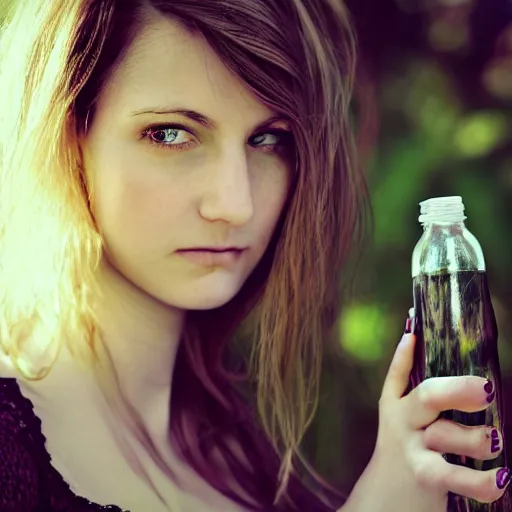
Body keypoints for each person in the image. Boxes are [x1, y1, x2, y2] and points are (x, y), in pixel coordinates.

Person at [0, 0, 509, 511]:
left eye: (268, 139)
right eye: (170, 134)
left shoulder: (255, 459)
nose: (235, 205)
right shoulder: (10, 455)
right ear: (67, 130)